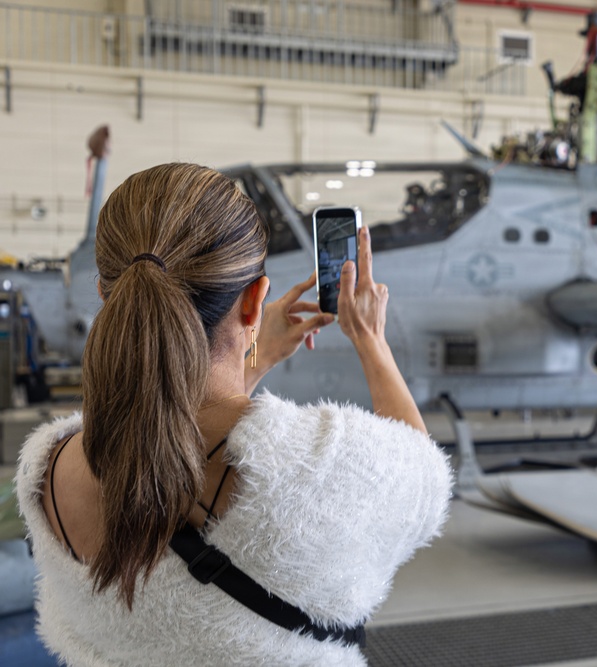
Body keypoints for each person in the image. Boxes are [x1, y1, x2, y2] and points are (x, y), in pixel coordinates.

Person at [14, 163, 452, 665]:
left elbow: (173, 440)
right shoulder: (317, 465)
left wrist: (253, 357)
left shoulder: (48, 473)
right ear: (255, 300)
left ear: (104, 297)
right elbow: (423, 477)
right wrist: (370, 339)